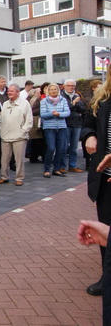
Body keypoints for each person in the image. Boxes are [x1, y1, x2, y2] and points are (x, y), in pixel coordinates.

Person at [82, 68, 111, 296]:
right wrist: (89, 135)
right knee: (106, 228)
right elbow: (87, 124)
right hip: (105, 176)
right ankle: (107, 276)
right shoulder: (102, 99)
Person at [0, 84, 33, 186]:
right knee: (4, 159)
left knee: (19, 159)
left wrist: (23, 131)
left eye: (12, 91)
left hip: (19, 137)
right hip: (5, 136)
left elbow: (29, 121)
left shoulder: (25, 104)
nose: (9, 93)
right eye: (9, 91)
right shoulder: (5, 104)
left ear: (18, 92)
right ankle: (4, 177)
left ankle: (19, 178)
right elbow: (1, 119)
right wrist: (1, 129)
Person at [40, 83, 70, 178]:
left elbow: (67, 112)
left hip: (61, 127)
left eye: (55, 89)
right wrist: (52, 113)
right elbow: (43, 114)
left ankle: (56, 169)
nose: (53, 91)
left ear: (58, 90)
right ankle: (46, 169)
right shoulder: (44, 101)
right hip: (49, 128)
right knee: (51, 148)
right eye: (51, 89)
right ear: (48, 91)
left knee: (61, 149)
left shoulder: (63, 100)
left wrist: (59, 114)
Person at [60, 79, 87, 173]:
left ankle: (72, 165)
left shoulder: (77, 96)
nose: (71, 87)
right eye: (69, 85)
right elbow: (65, 109)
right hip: (66, 124)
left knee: (74, 147)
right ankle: (62, 166)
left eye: (73, 86)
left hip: (77, 124)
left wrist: (76, 105)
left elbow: (83, 109)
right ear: (64, 86)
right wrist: (74, 103)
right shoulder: (61, 96)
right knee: (64, 147)